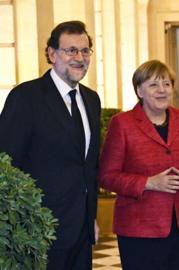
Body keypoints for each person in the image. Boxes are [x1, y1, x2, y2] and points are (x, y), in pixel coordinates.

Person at [0, 21, 101, 269]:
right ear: (52, 53)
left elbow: (87, 166)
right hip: (40, 232)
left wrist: (92, 217)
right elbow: (7, 164)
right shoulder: (25, 97)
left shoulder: (91, 99)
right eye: (71, 50)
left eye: (85, 50)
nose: (80, 58)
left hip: (81, 230)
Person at [98, 59, 179, 270]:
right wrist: (149, 182)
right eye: (153, 85)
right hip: (140, 229)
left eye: (167, 84)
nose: (162, 90)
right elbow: (107, 176)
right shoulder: (122, 123)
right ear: (139, 90)